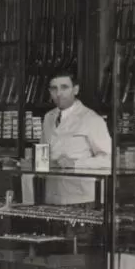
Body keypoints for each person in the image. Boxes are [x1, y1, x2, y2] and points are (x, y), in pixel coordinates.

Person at [41, 70, 112, 206]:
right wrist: (26, 162)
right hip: (52, 196)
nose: (59, 94)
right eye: (54, 89)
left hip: (82, 199)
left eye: (64, 87)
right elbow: (43, 154)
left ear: (76, 89)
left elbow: (109, 160)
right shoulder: (48, 118)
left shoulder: (91, 119)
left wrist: (76, 164)